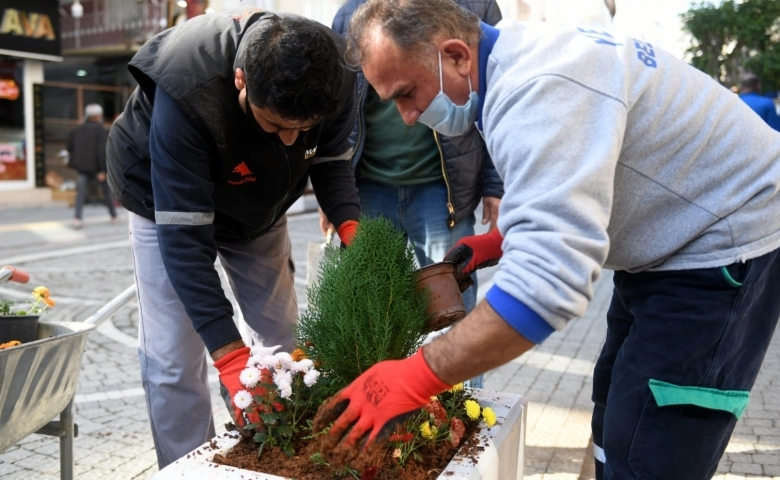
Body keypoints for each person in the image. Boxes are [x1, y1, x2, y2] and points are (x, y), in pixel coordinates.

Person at [312, 1, 780, 479]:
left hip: (721, 251)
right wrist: (499, 238)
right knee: (615, 411)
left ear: (455, 56)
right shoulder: (516, 62)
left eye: (407, 93)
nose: (407, 117)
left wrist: (416, 376)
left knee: (651, 445)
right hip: (666, 247)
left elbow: (546, 290)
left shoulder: (537, 88)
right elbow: (571, 174)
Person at [106, 9, 360, 468]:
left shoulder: (337, 72)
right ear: (240, 80)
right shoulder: (188, 86)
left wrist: (351, 228)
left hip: (258, 206)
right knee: (174, 362)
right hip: (162, 200)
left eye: (301, 129)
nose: (289, 141)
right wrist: (228, 358)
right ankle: (189, 471)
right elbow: (185, 241)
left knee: (283, 341)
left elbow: (330, 163)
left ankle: (274, 457)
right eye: (276, 124)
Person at [326, 0, 504, 388]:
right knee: (368, 308)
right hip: (368, 187)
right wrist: (334, 195)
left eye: (407, 93)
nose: (408, 114)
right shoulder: (349, 15)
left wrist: (494, 183)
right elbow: (338, 109)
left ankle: (463, 412)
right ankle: (372, 400)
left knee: (451, 307)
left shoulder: (474, 6)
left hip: (442, 192)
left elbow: (493, 97)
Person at [67, 103, 117, 229]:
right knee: (106, 191)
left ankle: (77, 218)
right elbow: (102, 150)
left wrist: (75, 163)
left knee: (81, 193)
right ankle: (113, 216)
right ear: (98, 116)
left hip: (82, 167)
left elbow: (70, 148)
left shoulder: (77, 130)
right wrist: (102, 169)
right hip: (97, 168)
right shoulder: (100, 130)